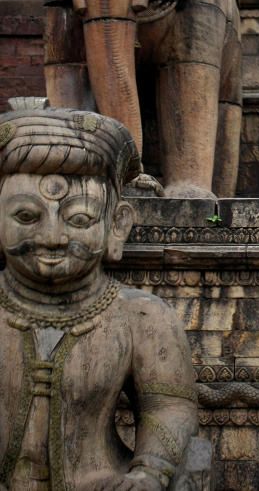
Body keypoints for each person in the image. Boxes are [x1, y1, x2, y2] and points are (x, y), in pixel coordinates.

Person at [0, 109, 199, 491]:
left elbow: (168, 405)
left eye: (79, 219)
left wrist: (150, 471)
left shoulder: (141, 316)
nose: (53, 238)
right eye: (26, 216)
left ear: (117, 225)